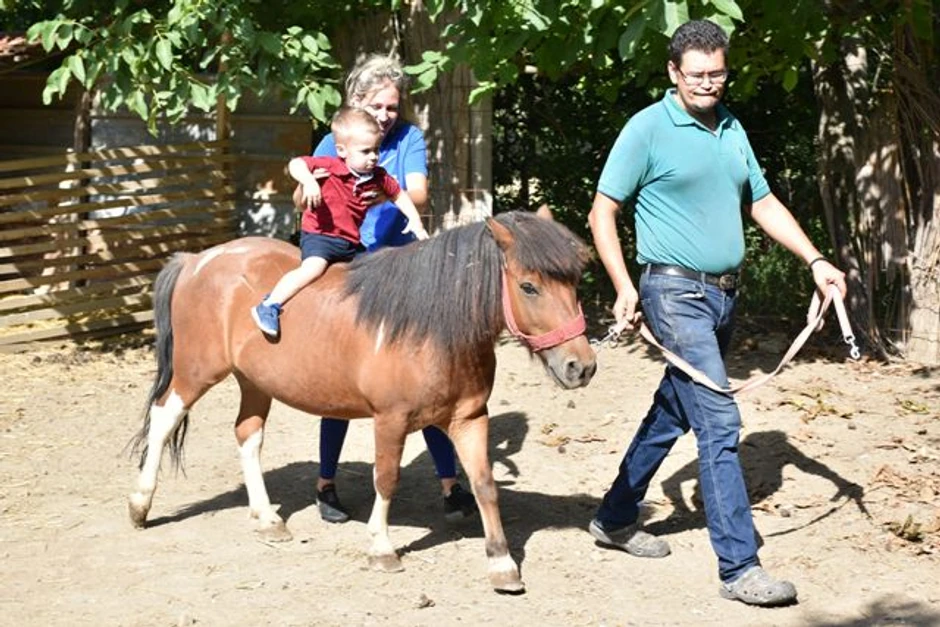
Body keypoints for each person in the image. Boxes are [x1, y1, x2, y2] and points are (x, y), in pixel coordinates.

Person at [586, 19, 847, 607]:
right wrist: (625, 287)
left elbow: (761, 200)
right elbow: (603, 211)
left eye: (718, 72)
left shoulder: (730, 127)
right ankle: (740, 568)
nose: (709, 83)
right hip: (672, 293)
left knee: (675, 409)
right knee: (721, 425)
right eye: (697, 74)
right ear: (674, 73)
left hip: (724, 295)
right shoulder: (647, 128)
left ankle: (614, 516)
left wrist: (814, 260)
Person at [305, 53, 478, 524]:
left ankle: (449, 483)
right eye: (377, 106)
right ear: (356, 101)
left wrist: (374, 182)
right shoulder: (334, 138)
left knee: (430, 376)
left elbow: (417, 192)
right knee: (341, 378)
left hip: (402, 266)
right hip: (350, 263)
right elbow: (307, 188)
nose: (386, 115)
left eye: (393, 107)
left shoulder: (408, 139)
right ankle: (326, 482)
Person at [251, 107, 428, 337]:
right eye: (365, 151)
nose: (373, 157)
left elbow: (398, 195)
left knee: (376, 271)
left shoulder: (377, 175)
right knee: (312, 269)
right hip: (321, 236)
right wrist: (310, 182)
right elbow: (296, 164)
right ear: (342, 151)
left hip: (351, 242)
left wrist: (416, 221)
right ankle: (269, 305)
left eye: (376, 150)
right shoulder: (331, 166)